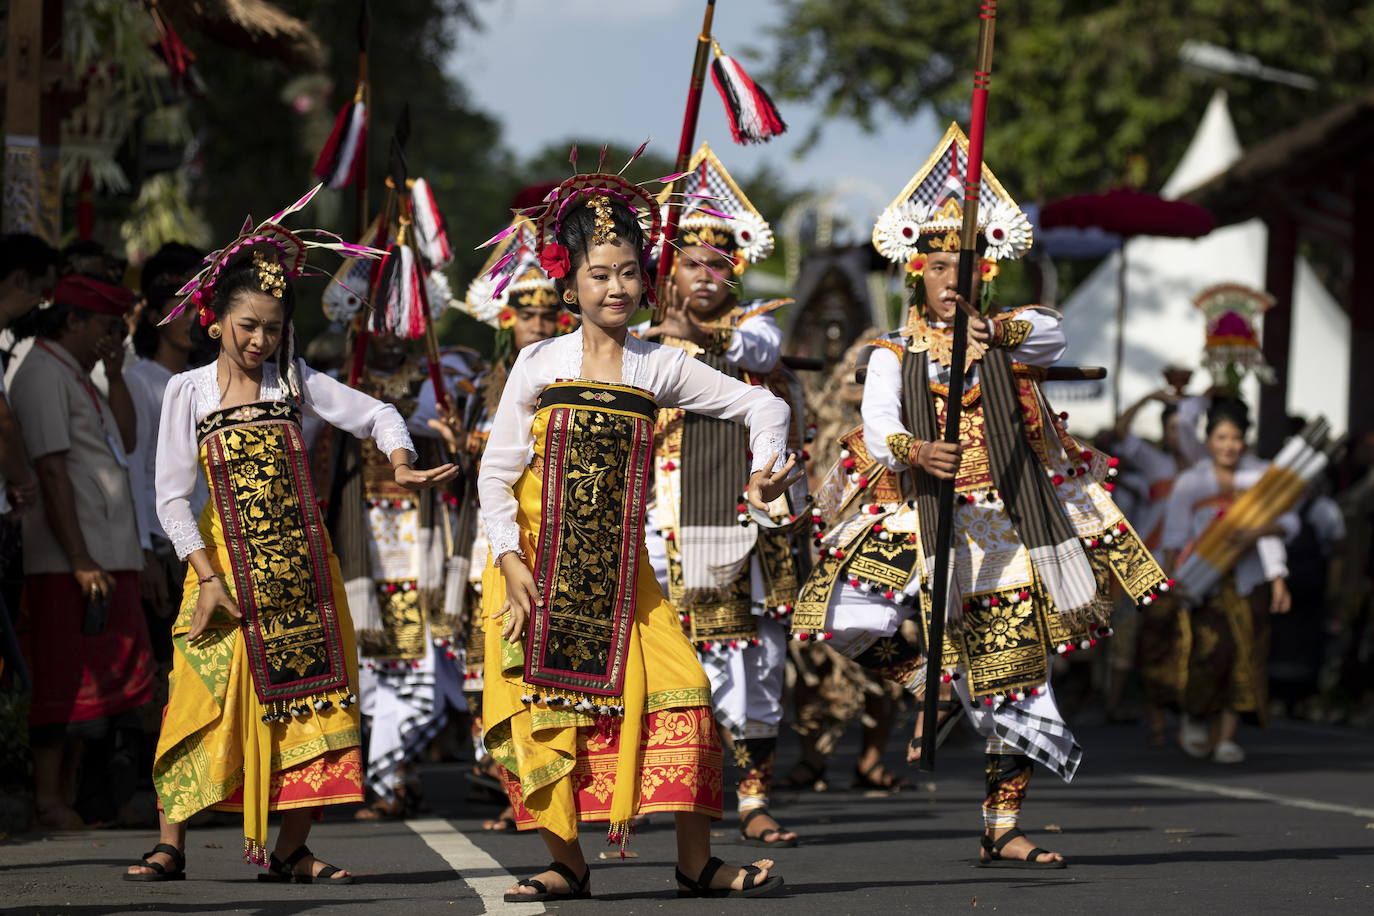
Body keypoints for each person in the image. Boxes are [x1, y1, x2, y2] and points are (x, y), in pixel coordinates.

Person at [794, 124, 1169, 868]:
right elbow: (877, 422)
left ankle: (1002, 825)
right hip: (919, 511)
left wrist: (990, 329)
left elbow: (1050, 333)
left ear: (985, 271)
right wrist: (913, 449)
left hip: (1003, 522)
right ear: (916, 274)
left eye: (963, 265)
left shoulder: (1010, 336)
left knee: (1019, 681)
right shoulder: (891, 352)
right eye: (936, 266)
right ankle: (930, 681)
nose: (949, 278)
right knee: (835, 611)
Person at [479, 168, 798, 900]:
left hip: (628, 577)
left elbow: (763, 409)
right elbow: (495, 475)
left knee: (685, 693)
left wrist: (764, 474)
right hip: (534, 568)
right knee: (543, 717)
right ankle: (567, 864)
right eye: (599, 273)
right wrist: (507, 558)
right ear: (570, 285)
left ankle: (695, 864)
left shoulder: (661, 367)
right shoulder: (538, 362)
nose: (616, 286)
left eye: (628, 272)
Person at [124, 192, 457, 883]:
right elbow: (168, 500)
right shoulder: (187, 393)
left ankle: (292, 850)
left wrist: (399, 460)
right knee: (196, 696)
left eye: (272, 330)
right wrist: (208, 578)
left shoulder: (292, 382)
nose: (259, 342)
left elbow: (378, 414)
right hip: (217, 575)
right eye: (247, 327)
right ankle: (170, 845)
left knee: (315, 710)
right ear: (213, 322)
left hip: (303, 576)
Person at [639, 142, 810, 846]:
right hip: (663, 513)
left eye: (720, 263)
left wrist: (692, 335)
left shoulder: (751, 325)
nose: (708, 274)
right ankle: (672, 787)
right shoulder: (635, 343)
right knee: (668, 656)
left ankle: (752, 798)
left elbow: (760, 354)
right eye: (692, 262)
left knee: (754, 658)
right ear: (667, 272)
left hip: (743, 509)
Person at [8, 275, 156, 830]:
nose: (111, 337)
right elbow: (50, 469)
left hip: (103, 554)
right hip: (71, 560)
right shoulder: (43, 371)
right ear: (72, 320)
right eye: (105, 325)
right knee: (62, 677)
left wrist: (114, 376)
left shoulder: (80, 373)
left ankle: (66, 796)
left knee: (96, 679)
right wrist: (78, 559)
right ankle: (48, 799)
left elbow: (126, 437)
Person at [456, 213, 571, 830]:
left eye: (546, 315)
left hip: (551, 529)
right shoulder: (482, 382)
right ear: (509, 320)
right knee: (493, 664)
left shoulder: (566, 372)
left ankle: (551, 792)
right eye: (526, 315)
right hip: (492, 537)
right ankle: (513, 795)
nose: (537, 324)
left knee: (546, 661)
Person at [329, 330, 467, 821]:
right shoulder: (338, 382)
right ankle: (397, 776)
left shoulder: (437, 377)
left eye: (396, 324)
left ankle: (392, 779)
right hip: (363, 542)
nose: (386, 335)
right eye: (376, 324)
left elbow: (439, 423)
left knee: (420, 664)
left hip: (419, 543)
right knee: (376, 670)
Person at [1162, 397, 1293, 764]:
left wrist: (1278, 578)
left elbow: (1280, 526)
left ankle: (1226, 737)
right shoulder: (1192, 479)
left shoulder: (1261, 476)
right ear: (1208, 440)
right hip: (1201, 582)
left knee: (1245, 654)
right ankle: (1194, 719)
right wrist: (1170, 579)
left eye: (1235, 438)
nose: (1228, 446)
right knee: (1207, 653)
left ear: (1245, 440)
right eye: (1220, 437)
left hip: (1247, 581)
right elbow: (1174, 534)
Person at [126, 243, 207, 676]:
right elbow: (134, 469)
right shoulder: (139, 381)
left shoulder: (205, 382)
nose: (194, 316)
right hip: (164, 546)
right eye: (182, 305)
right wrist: (144, 552)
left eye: (200, 304)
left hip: (208, 544)